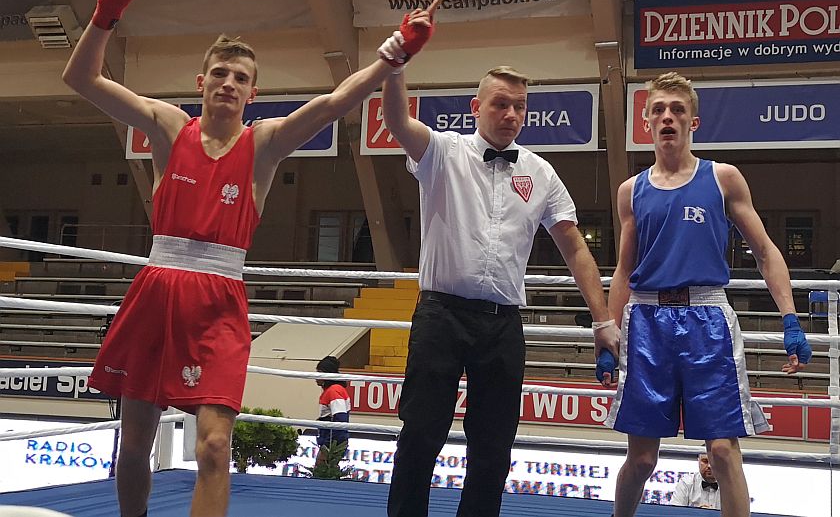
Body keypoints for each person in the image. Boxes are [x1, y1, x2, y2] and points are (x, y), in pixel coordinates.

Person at [62, 0, 439, 517]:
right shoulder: (169, 126)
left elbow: (335, 102)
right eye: (220, 73)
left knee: (215, 445)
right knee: (135, 441)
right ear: (202, 83)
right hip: (158, 290)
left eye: (240, 78)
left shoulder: (264, 145)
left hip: (218, 302)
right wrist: (105, 15)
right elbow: (82, 80)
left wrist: (395, 52)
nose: (228, 84)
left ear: (252, 92)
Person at [379, 52, 620, 514]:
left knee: (493, 449)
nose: (511, 114)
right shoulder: (443, 153)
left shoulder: (541, 172)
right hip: (440, 316)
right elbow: (396, 121)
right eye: (501, 104)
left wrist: (602, 319)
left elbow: (574, 247)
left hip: (503, 324)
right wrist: (396, 67)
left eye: (520, 106)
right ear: (476, 107)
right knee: (420, 436)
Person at [604, 72, 813, 517]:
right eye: (658, 109)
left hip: (707, 320)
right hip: (645, 323)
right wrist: (607, 332)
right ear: (646, 121)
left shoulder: (722, 177)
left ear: (693, 122)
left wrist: (790, 318)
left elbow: (765, 251)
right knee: (641, 459)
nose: (667, 117)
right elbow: (624, 269)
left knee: (721, 450)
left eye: (677, 110)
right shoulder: (631, 191)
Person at [315, 355, 351, 465]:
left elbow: (340, 419)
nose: (316, 376)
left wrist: (329, 447)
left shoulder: (334, 391)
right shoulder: (333, 390)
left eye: (319, 373)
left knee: (323, 473)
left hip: (333, 442)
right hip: (332, 441)